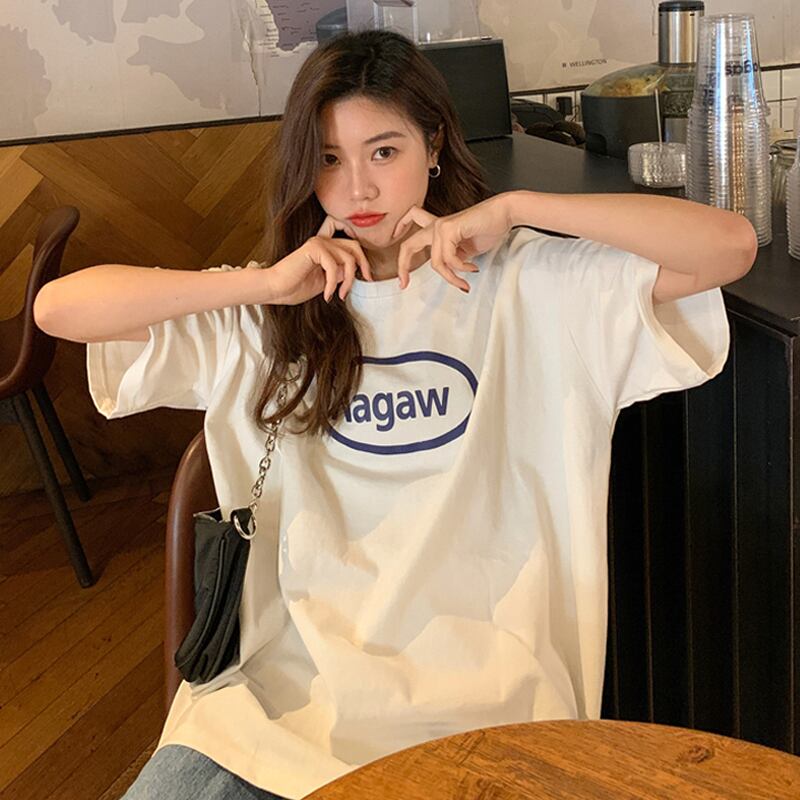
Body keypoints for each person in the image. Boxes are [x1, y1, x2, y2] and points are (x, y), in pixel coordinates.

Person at [33, 28, 756, 800]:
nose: (357, 190)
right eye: (328, 159)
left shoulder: (527, 286)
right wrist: (260, 286)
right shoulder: (270, 307)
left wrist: (515, 208)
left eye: (383, 151)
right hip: (276, 706)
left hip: (489, 708)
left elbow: (730, 246)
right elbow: (57, 309)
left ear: (434, 144)